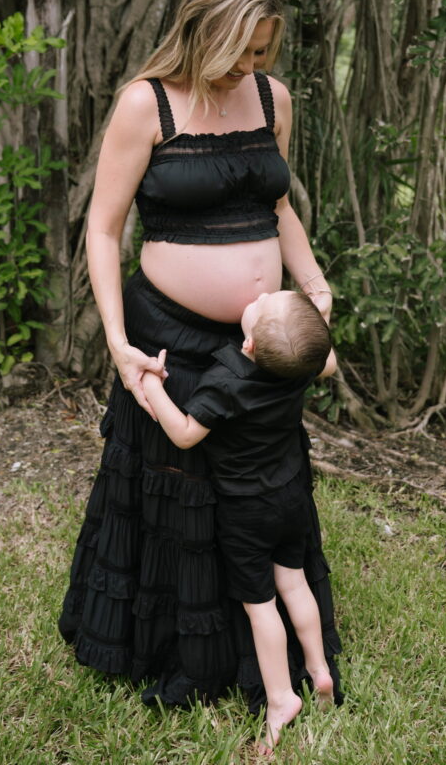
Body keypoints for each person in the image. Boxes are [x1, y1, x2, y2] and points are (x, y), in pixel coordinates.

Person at [58, 0, 341, 711]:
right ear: (203, 30)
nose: (251, 67)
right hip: (169, 336)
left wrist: (314, 288)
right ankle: (181, 654)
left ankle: (278, 656)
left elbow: (278, 210)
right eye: (240, 50)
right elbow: (103, 228)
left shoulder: (271, 99)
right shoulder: (145, 104)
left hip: (263, 342)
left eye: (262, 52)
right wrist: (116, 341)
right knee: (179, 488)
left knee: (259, 484)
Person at [141, 289, 337, 752]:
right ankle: (319, 668)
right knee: (294, 584)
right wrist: (317, 319)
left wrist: (152, 385)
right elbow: (325, 360)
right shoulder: (300, 366)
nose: (262, 292)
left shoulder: (225, 380)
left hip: (246, 511)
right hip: (291, 497)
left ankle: (281, 697)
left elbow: (184, 434)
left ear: (248, 344)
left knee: (260, 605)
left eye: (265, 302)